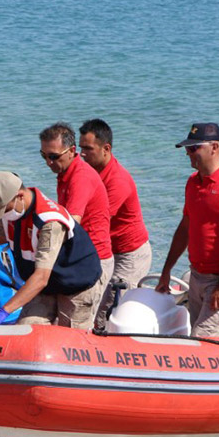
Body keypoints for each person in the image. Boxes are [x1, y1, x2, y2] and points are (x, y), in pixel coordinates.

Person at [0, 172, 101, 328]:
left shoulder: (50, 223)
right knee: (26, 328)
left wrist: (3, 311)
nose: (3, 215)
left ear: (20, 196)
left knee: (69, 338)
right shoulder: (13, 212)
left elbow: (41, 277)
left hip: (76, 283)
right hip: (47, 286)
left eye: (4, 210)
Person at [156, 122, 219, 337]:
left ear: (214, 147)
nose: (188, 154)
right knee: (205, 335)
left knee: (200, 339)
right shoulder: (192, 183)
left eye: (193, 148)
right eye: (187, 149)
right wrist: (166, 271)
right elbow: (185, 229)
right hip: (197, 276)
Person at [77, 119, 152, 328]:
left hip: (128, 255)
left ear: (106, 149)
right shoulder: (90, 172)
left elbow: (95, 222)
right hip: (107, 252)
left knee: (106, 310)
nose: (82, 154)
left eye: (88, 149)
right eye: (80, 147)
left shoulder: (117, 181)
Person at [38, 122, 113, 323]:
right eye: (44, 156)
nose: (48, 162)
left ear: (72, 151)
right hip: (74, 258)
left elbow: (70, 224)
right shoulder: (64, 172)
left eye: (53, 156)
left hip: (92, 261)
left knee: (73, 331)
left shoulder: (80, 177)